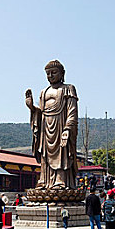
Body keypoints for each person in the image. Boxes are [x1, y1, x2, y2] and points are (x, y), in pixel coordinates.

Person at [25, 59, 78, 191]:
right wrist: (32, 107)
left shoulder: (68, 89)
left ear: (62, 73)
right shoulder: (44, 92)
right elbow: (40, 112)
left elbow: (72, 111)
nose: (50, 76)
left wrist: (67, 129)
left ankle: (60, 181)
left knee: (62, 152)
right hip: (45, 126)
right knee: (45, 154)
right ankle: (45, 180)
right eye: (48, 74)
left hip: (61, 125)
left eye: (54, 72)